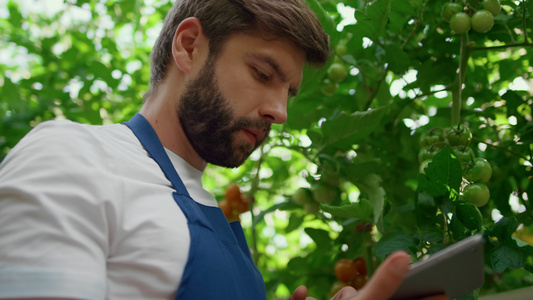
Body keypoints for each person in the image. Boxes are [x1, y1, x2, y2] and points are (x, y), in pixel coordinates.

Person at [0, 0, 448, 299]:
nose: (280, 112)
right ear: (189, 46)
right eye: (262, 73)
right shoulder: (75, 156)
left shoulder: (214, 215)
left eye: (289, 93)